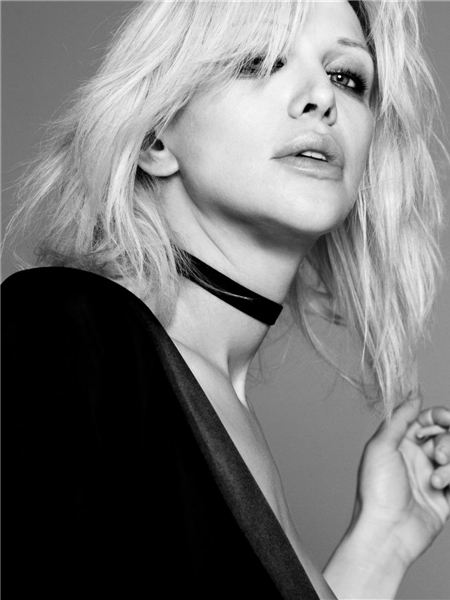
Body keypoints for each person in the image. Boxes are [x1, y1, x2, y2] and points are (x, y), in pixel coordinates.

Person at [3, 1, 450, 598]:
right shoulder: (62, 327)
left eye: (347, 77)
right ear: (156, 137)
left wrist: (383, 543)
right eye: (259, 62)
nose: (322, 98)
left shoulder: (221, 400)